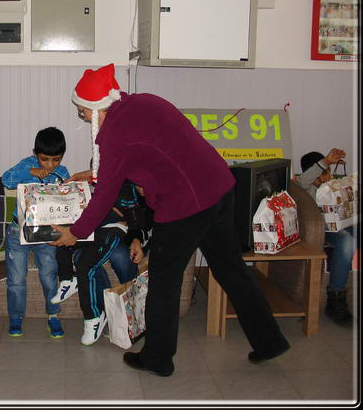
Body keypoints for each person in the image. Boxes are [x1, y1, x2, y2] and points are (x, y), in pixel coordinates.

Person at [52, 63, 290, 377]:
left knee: (164, 281)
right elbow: (168, 150)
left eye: (82, 111)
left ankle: (157, 358)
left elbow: (105, 195)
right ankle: (269, 342)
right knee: (232, 269)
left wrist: (76, 232)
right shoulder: (144, 100)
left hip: (186, 206)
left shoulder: (115, 137)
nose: (81, 115)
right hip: (218, 187)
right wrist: (148, 181)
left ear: (98, 109)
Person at [53, 178, 144, 345]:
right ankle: (73, 283)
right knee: (76, 254)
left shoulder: (138, 193)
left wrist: (137, 238)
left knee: (120, 258)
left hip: (120, 234)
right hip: (93, 232)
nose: (141, 188)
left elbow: (138, 220)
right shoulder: (99, 186)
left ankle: (128, 313)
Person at [1, 127, 70, 338]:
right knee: (15, 278)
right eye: (44, 159)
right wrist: (29, 172)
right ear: (35, 153)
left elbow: (69, 200)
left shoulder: (62, 173)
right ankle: (15, 317)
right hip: (17, 230)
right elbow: (6, 180)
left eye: (55, 160)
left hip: (47, 232)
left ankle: (53, 316)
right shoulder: (26, 165)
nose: (50, 165)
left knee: (49, 275)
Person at [297, 148, 356, 326]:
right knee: (346, 241)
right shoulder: (306, 187)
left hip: (344, 224)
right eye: (323, 173)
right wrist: (325, 162)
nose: (327, 177)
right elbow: (303, 181)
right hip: (325, 230)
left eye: (328, 172)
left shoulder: (332, 186)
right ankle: (335, 298)